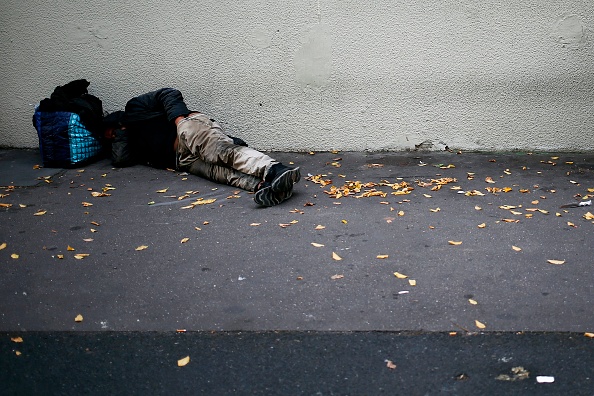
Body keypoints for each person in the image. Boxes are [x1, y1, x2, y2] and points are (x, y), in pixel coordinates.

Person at [103, 88, 300, 206]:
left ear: (114, 121)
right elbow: (121, 159)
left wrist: (179, 121)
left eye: (112, 133)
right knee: (221, 173)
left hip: (188, 129)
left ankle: (275, 169)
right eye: (112, 138)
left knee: (222, 153)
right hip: (182, 159)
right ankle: (269, 188)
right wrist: (120, 133)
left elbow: (169, 93)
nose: (114, 138)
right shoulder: (130, 143)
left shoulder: (135, 107)